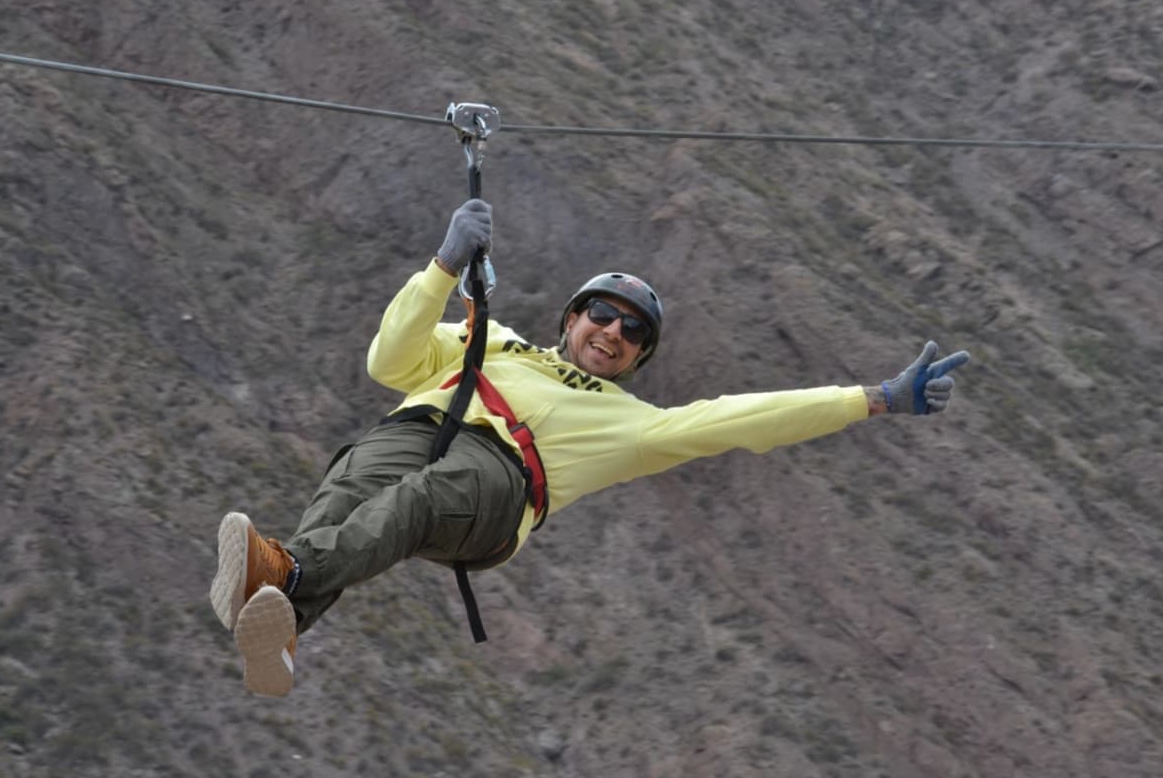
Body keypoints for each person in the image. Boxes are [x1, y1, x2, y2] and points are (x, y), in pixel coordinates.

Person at [209, 198, 971, 697]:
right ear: (570, 318)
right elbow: (388, 361)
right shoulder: (490, 340)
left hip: (497, 489)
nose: (613, 332)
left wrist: (871, 398)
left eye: (632, 331)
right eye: (602, 315)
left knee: (421, 496)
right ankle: (280, 629)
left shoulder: (630, 423)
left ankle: (290, 572)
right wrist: (442, 269)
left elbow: (744, 417)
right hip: (417, 429)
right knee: (351, 481)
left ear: (640, 358)